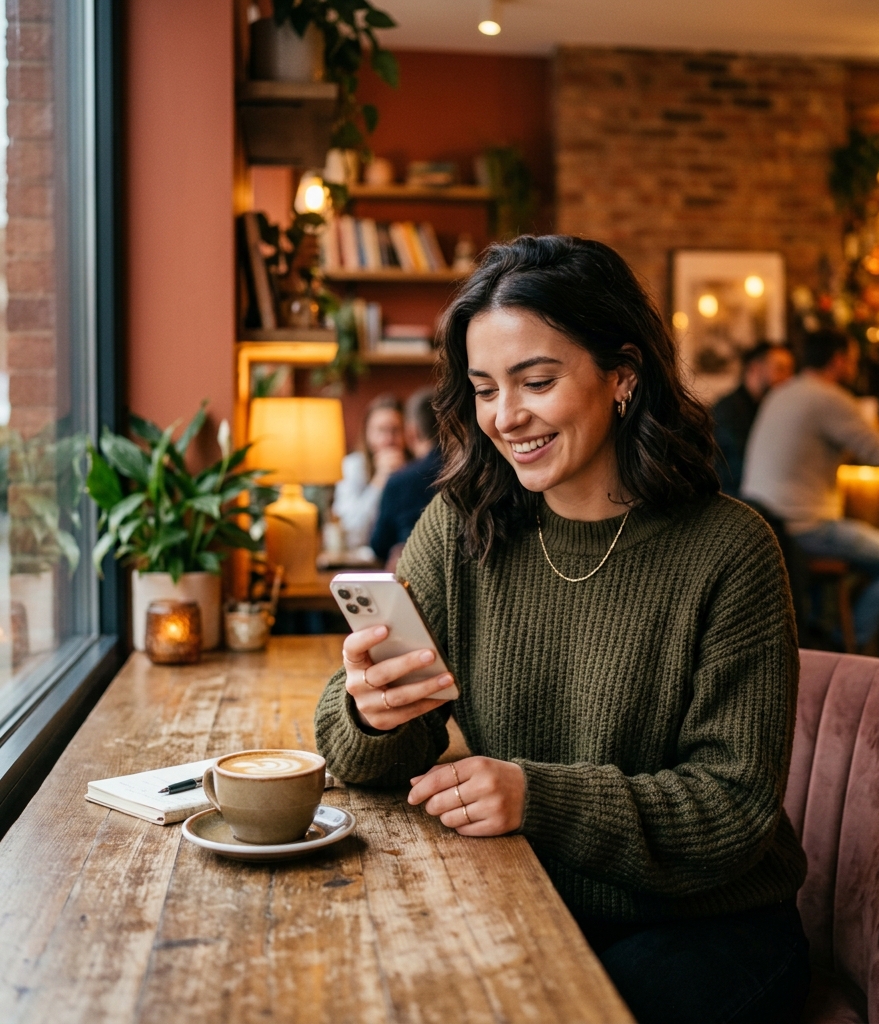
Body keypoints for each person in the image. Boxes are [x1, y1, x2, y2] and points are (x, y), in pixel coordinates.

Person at [316, 236, 810, 1024]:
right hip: (529, 891)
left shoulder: (730, 549)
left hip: (704, 924)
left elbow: (734, 809)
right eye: (484, 389)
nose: (506, 418)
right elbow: (356, 761)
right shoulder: (464, 526)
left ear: (623, 375)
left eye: (536, 381)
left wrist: (536, 795)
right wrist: (370, 711)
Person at [742, 329, 879, 650]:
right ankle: (842, 647)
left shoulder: (783, 392)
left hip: (768, 527)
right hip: (804, 529)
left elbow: (836, 442)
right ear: (838, 361)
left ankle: (824, 633)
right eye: (853, 359)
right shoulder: (831, 398)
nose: (855, 366)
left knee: (857, 572)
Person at [369, 387, 443, 564]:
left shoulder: (399, 481)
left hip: (413, 577)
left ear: (411, 432)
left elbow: (379, 546)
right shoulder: (472, 472)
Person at [712, 342, 794, 496]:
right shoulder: (727, 411)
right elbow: (741, 467)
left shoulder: (769, 408)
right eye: (780, 369)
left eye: (790, 371)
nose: (788, 379)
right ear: (755, 368)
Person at [332, 395, 407, 555]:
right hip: (363, 561)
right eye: (380, 430)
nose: (388, 439)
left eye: (395, 430)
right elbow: (353, 532)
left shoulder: (416, 469)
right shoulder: (352, 466)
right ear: (367, 432)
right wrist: (380, 479)